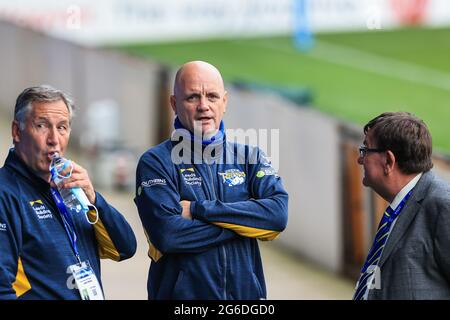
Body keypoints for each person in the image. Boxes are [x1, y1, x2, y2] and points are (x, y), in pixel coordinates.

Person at [134, 61, 288, 299]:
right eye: (193, 97)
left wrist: (198, 210)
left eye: (212, 96)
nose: (204, 106)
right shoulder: (156, 162)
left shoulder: (250, 157)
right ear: (174, 104)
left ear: (224, 102)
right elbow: (168, 236)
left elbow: (277, 216)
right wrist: (245, 225)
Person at [0, 85, 137, 300]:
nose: (54, 139)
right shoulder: (5, 195)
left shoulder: (71, 188)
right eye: (42, 125)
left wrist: (93, 198)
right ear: (17, 131)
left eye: (62, 127)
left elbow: (125, 248)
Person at [353, 111, 450, 300]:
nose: (359, 159)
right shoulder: (402, 205)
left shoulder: (443, 206)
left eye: (365, 150)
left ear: (389, 161)